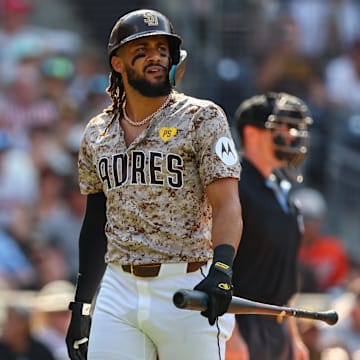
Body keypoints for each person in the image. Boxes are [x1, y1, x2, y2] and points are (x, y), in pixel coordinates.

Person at [65, 8, 242, 360]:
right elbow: (95, 223)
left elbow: (227, 203)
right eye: (142, 50)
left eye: (162, 49)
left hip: (187, 282)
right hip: (119, 287)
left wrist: (222, 268)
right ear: (118, 63)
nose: (156, 57)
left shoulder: (202, 117)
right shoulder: (97, 132)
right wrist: (82, 305)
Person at [226, 92, 312, 360]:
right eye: (282, 127)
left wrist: (293, 335)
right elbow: (215, 261)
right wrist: (229, 334)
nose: (291, 136)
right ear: (252, 133)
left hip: (277, 325)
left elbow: (282, 274)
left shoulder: (281, 189)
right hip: (242, 323)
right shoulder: (233, 186)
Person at [290, 187, 350, 293]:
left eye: (309, 219)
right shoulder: (281, 246)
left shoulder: (333, 249)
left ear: (320, 221)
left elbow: (340, 286)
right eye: (300, 219)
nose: (304, 225)